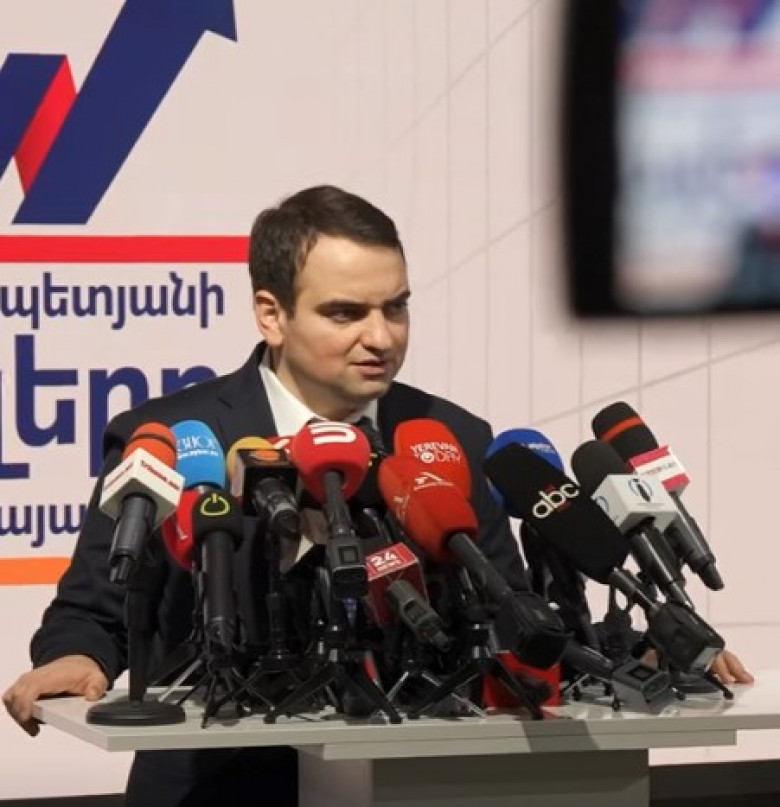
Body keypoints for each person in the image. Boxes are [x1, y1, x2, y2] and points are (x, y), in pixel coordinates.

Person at [3, 185, 753, 805]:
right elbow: (92, 611)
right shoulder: (172, 433)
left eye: (396, 307)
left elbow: (508, 609)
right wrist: (77, 657)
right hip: (218, 784)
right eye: (346, 312)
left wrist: (638, 653)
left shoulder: (451, 435)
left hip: (418, 780)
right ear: (271, 314)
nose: (382, 336)